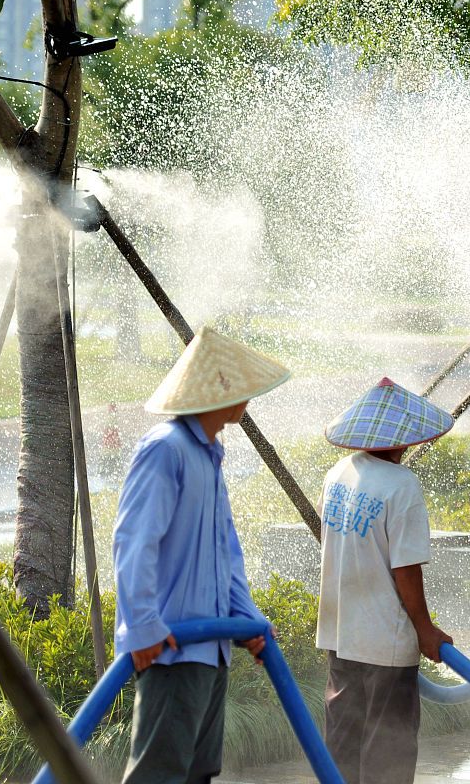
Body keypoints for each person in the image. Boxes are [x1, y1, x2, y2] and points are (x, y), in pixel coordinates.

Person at [113, 325, 291, 784]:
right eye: (240, 385)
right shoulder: (165, 449)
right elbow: (135, 541)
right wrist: (144, 625)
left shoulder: (209, 454)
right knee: (160, 775)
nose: (248, 394)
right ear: (219, 392)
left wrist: (247, 618)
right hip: (172, 648)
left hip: (211, 650)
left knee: (198, 773)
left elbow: (225, 553)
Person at [317, 377, 455, 784]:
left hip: (342, 634)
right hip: (385, 641)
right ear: (404, 440)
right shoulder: (401, 485)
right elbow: (405, 569)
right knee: (387, 751)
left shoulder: (338, 472)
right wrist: (424, 629)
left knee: (342, 740)